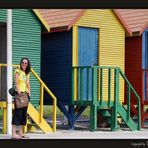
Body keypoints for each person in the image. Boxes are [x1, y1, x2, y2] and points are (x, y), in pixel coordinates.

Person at [11, 57, 31, 139]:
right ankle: (13, 134)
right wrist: (19, 93)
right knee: (17, 113)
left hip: (26, 95)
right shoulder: (17, 71)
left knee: (23, 114)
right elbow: (16, 83)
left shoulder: (27, 73)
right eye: (23, 62)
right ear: (20, 63)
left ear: (27, 64)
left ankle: (21, 133)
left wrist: (29, 93)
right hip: (19, 94)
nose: (24, 64)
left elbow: (28, 84)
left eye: (26, 63)